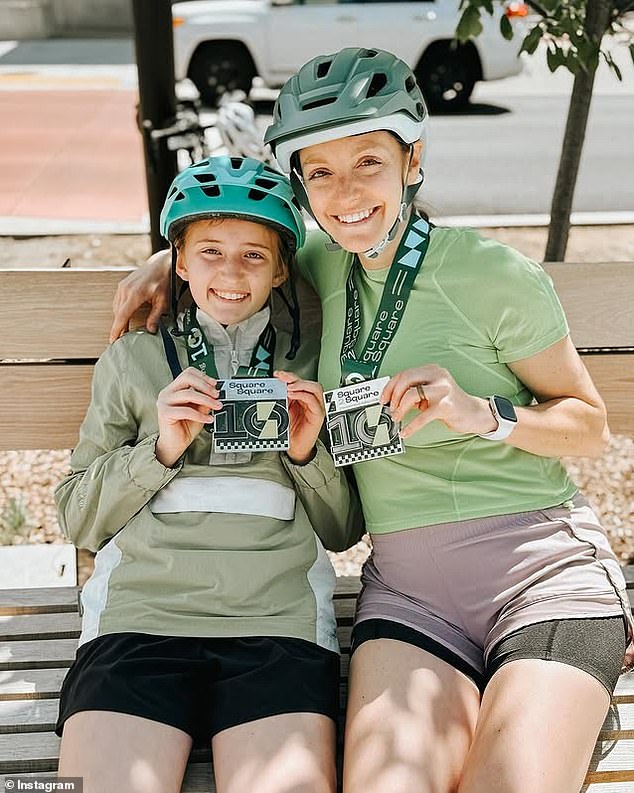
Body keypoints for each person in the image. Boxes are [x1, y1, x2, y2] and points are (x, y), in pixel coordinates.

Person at [110, 49, 633, 793]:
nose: (346, 193)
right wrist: (169, 263)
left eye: (367, 163)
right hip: (411, 593)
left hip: (542, 575)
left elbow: (588, 424)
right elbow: (237, 247)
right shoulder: (323, 262)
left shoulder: (492, 274)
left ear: (411, 160)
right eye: (320, 173)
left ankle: (569, 696)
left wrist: (480, 412)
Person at [55, 155, 362, 793]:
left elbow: (342, 532)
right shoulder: (134, 358)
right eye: (210, 251)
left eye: (254, 256)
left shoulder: (311, 361)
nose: (230, 271)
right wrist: (157, 451)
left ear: (283, 269)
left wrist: (307, 454)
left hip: (276, 625)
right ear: (180, 262)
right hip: (139, 621)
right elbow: (77, 516)